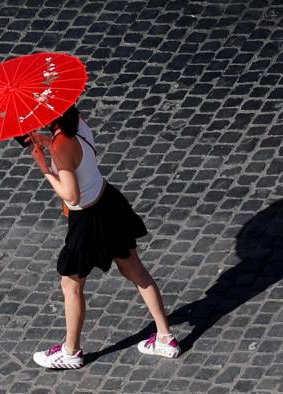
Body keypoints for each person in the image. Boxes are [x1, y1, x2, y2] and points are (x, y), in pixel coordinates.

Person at [23, 105, 180, 369]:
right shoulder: (79, 125)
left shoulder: (61, 147)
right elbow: (76, 156)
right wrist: (48, 142)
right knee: (135, 269)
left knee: (71, 286)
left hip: (86, 220)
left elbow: (71, 195)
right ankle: (165, 337)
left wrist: (45, 168)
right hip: (108, 202)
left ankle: (71, 351)